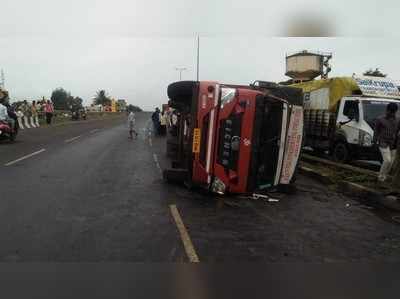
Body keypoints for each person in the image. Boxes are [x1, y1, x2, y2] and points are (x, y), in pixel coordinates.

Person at [374, 102, 400, 183]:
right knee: (387, 160)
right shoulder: (380, 119)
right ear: (387, 110)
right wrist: (374, 141)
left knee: (391, 163)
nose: (391, 113)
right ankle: (381, 177)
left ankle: (384, 176)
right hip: (383, 142)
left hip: (393, 143)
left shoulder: (398, 119)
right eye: (390, 111)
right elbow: (376, 131)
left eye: (393, 112)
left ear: (395, 111)